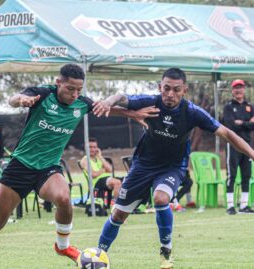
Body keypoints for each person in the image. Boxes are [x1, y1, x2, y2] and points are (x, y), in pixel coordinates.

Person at [92, 68, 254, 269]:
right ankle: (99, 254)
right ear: (160, 87)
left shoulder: (192, 112)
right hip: (143, 165)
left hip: (172, 167)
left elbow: (228, 134)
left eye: (176, 89)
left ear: (184, 90)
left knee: (161, 198)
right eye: (166, 88)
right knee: (119, 214)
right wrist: (108, 102)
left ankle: (166, 251)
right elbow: (121, 96)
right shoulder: (150, 101)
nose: (170, 94)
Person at [0, 64, 93, 269]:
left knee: (64, 197)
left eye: (79, 89)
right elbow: (13, 99)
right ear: (58, 82)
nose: (75, 94)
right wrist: (21, 100)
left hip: (48, 168)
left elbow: (107, 107)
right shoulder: (43, 94)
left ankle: (63, 246)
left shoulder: (81, 105)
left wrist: (132, 114)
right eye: (70, 88)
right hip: (20, 166)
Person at [223, 79, 254, 215]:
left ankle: (244, 206)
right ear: (232, 91)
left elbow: (252, 125)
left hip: (247, 145)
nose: (238, 90)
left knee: (247, 175)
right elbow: (230, 125)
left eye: (240, 87)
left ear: (244, 90)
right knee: (232, 174)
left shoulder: (250, 106)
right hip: (233, 145)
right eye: (236, 88)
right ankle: (230, 206)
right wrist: (246, 123)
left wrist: (241, 123)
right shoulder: (228, 106)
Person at [80, 137, 122, 202]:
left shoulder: (98, 158)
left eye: (94, 147)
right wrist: (104, 170)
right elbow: (93, 174)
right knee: (117, 182)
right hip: (97, 183)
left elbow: (110, 169)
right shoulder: (85, 160)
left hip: (105, 179)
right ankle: (118, 205)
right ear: (86, 148)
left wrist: (100, 156)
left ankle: (128, 204)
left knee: (126, 180)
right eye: (90, 147)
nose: (92, 149)